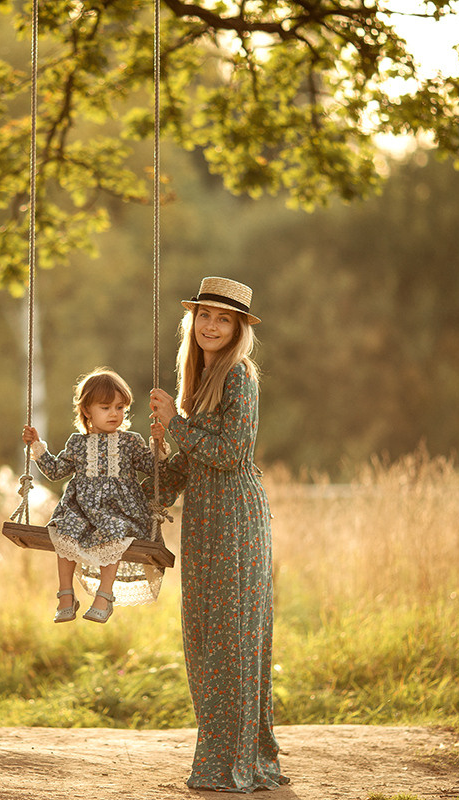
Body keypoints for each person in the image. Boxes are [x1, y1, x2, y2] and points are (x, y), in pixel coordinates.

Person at [148, 276, 290, 791]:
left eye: (223, 319)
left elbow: (230, 454)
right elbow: (190, 465)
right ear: (194, 321)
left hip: (236, 522)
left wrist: (176, 423)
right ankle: (225, 758)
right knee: (205, 638)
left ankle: (234, 763)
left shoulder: (240, 376)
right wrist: (152, 474)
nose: (211, 325)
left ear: (237, 330)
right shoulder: (198, 377)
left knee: (232, 641)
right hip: (204, 524)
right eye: (205, 315)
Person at [22, 367, 167, 623]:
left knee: (114, 530)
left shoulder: (130, 442)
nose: (114, 413)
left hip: (121, 511)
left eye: (120, 407)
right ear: (87, 411)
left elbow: (153, 468)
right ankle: (66, 593)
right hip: (82, 511)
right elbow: (56, 472)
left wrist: (158, 445)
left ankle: (104, 595)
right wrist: (36, 446)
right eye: (105, 407)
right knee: (64, 528)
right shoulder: (77, 444)